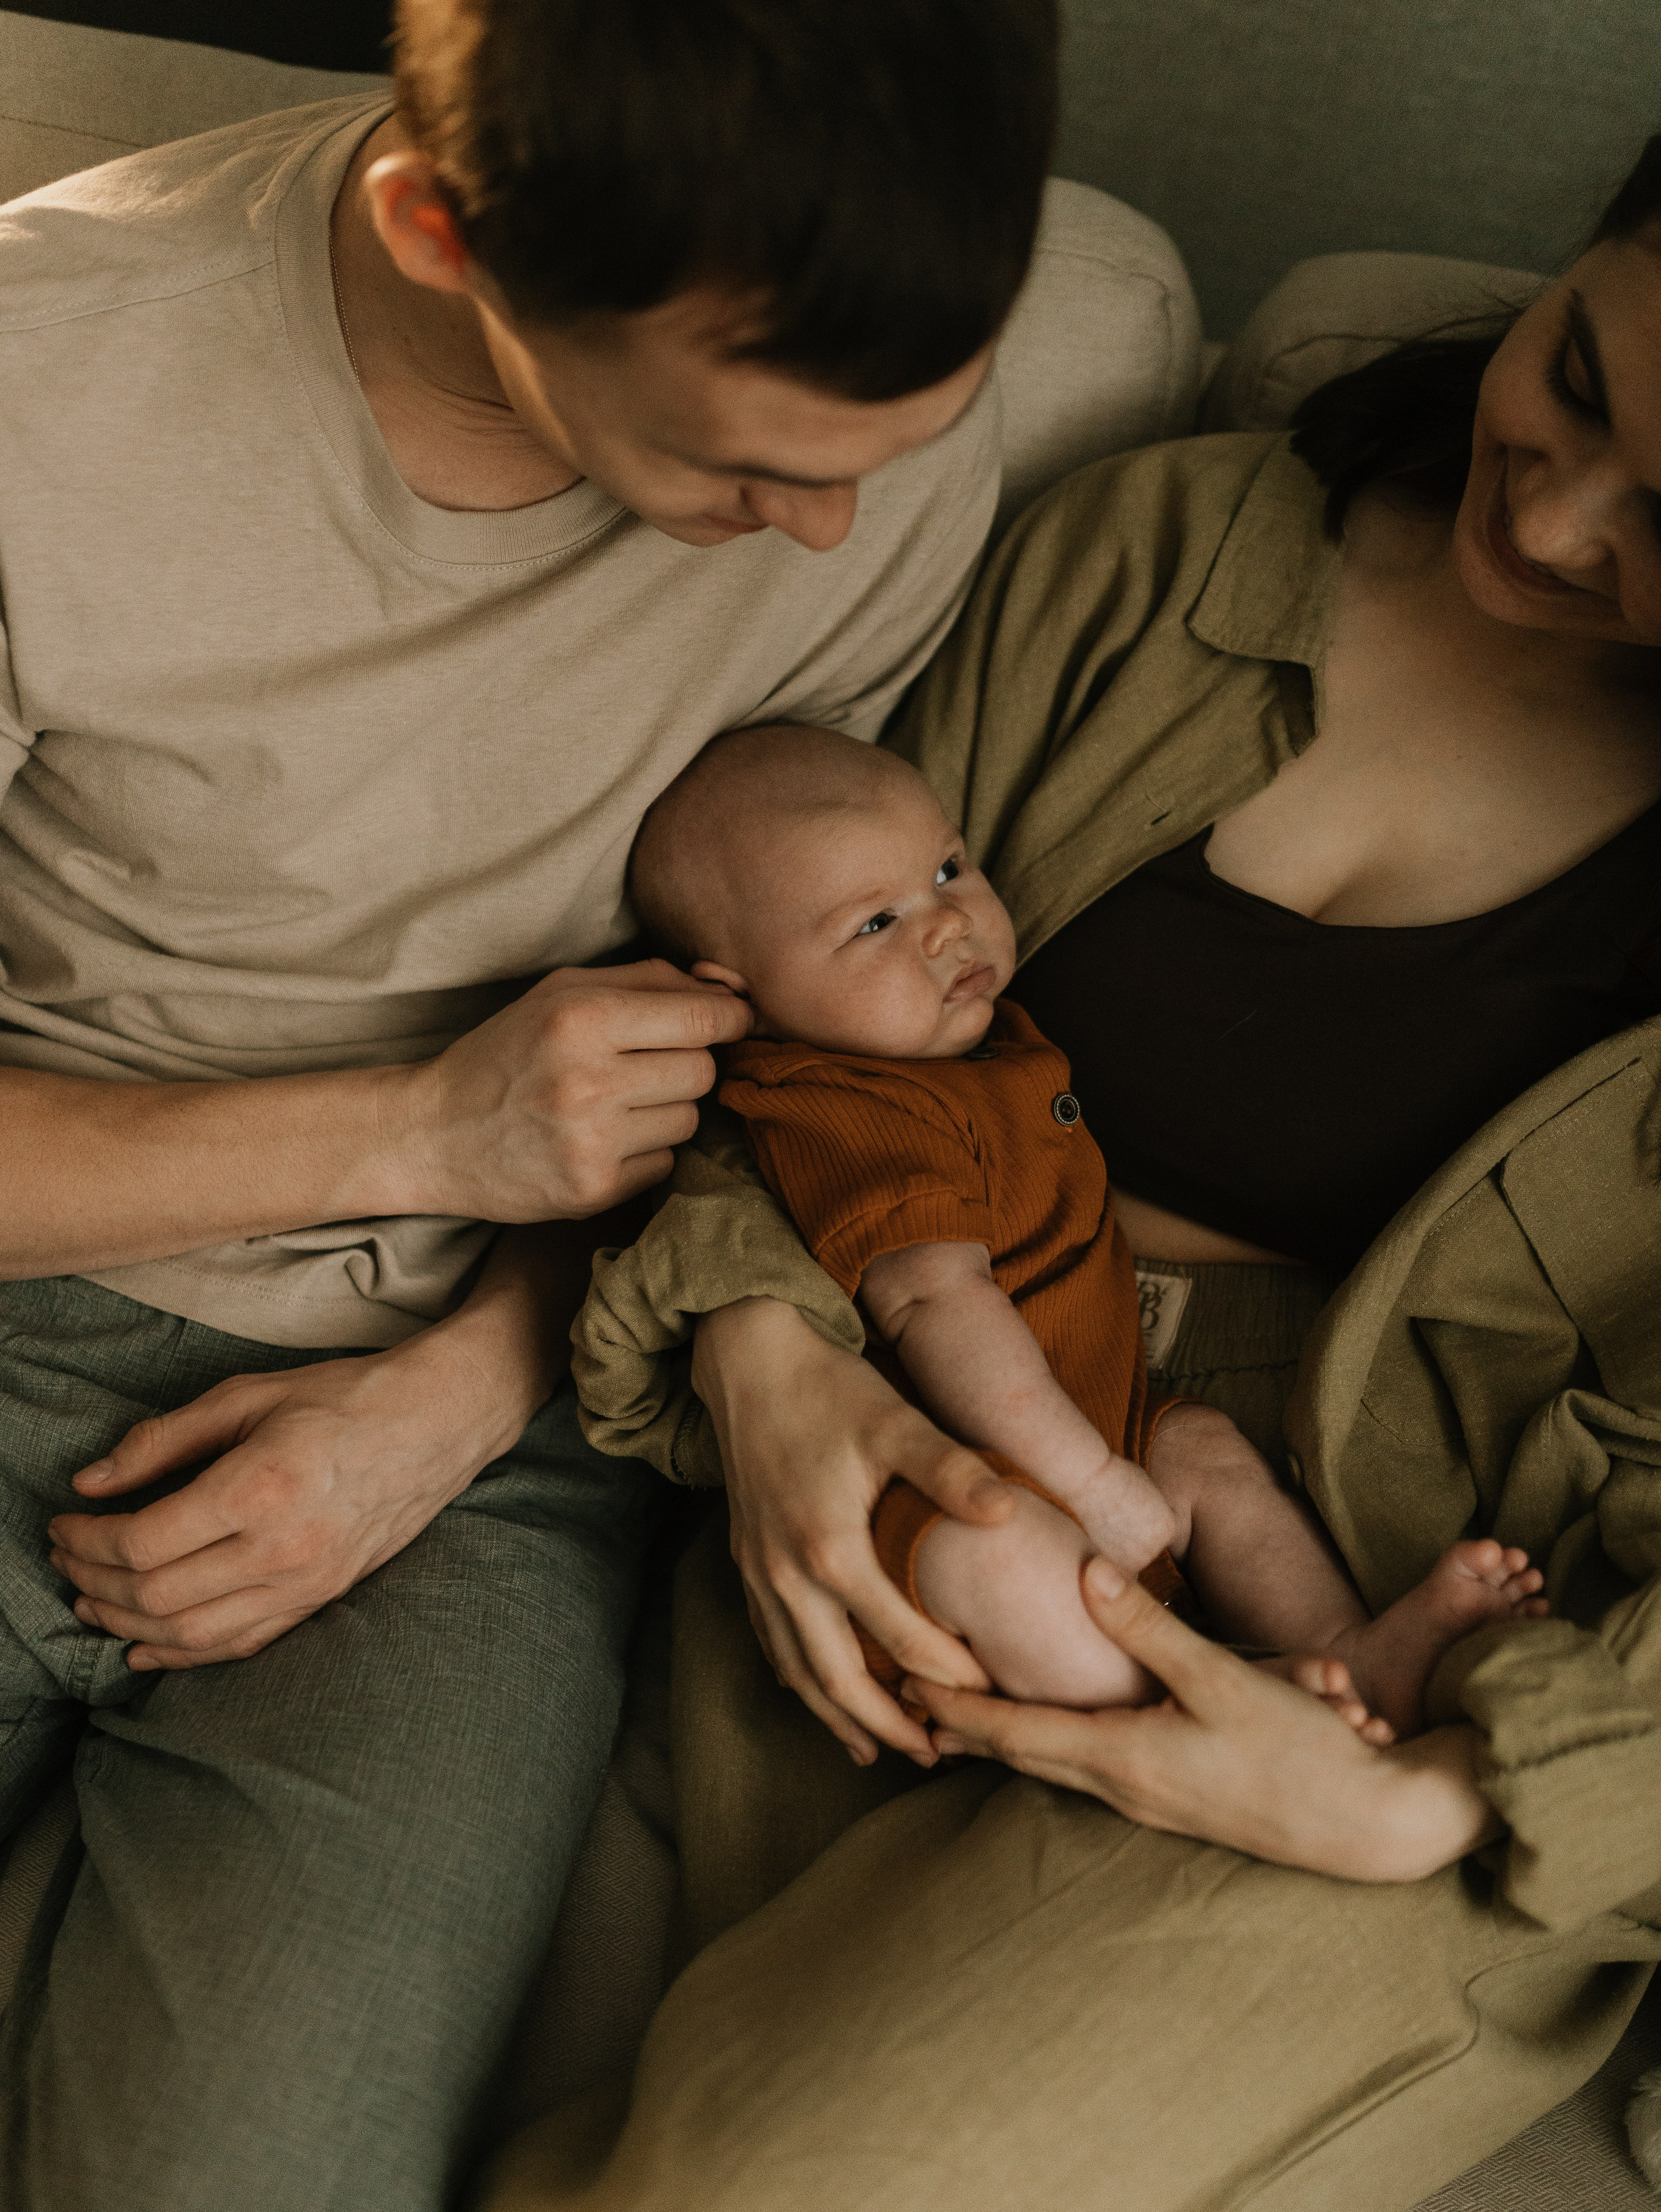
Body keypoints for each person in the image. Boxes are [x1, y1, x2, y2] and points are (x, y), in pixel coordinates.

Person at [531, 137, 1661, 2212]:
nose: (1559, 509)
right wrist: (767, 1348)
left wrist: (1440, 1799)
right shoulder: (1157, 557)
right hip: (935, 1403)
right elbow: (777, 1002)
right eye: (1578, 374)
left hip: (1412, 1656)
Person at [0, 3, 1063, 2207]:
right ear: (440, 230)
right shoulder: (47, 394)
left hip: (491, 1431)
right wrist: (415, 1134)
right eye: (737, 467)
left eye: (897, 441)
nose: (829, 528)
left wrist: (459, 1397)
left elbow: (787, 1040)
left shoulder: (871, 439)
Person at [623, 719, 1549, 1734]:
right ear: (739, 1000)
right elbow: (938, 1303)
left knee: (1201, 1447)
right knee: (1002, 1554)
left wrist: (1118, 1466)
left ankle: (1342, 1649)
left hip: (1103, 1426)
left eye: (946, 867)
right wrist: (1088, 1480)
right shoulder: (843, 1106)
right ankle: (1218, 1709)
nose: (946, 925)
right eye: (874, 924)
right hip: (940, 1492)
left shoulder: (966, 1050)